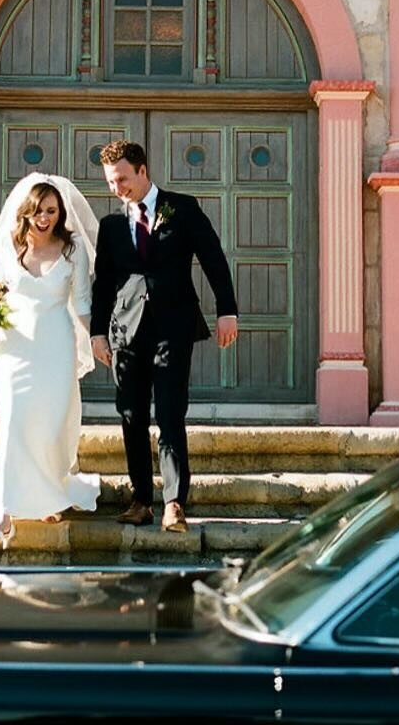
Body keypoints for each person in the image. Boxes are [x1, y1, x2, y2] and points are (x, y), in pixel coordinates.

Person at [89, 140, 238, 534]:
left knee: (170, 413)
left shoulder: (182, 208)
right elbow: (103, 284)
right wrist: (97, 334)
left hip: (173, 327)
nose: (115, 187)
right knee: (132, 416)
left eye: (121, 178)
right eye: (109, 181)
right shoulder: (111, 226)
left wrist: (227, 310)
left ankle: (174, 503)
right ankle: (141, 500)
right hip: (125, 332)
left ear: (142, 170)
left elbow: (213, 258)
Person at [0, 174, 101, 547]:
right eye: (37, 211)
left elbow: (81, 301)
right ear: (25, 212)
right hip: (15, 347)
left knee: (49, 428)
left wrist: (98, 338)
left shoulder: (73, 248)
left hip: (56, 346)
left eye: (51, 210)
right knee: (14, 424)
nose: (44, 217)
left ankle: (47, 494)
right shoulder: (7, 247)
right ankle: (3, 509)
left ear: (61, 212)